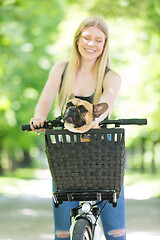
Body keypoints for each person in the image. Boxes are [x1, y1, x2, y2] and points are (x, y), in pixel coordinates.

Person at [30, 15, 126, 240]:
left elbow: (107, 104)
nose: (91, 44)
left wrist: (97, 118)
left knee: (115, 232)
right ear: (77, 40)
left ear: (105, 44)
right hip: (67, 154)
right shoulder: (62, 69)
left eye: (98, 40)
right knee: (62, 233)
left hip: (103, 156)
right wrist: (39, 117)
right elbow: (45, 100)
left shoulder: (111, 76)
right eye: (86, 38)